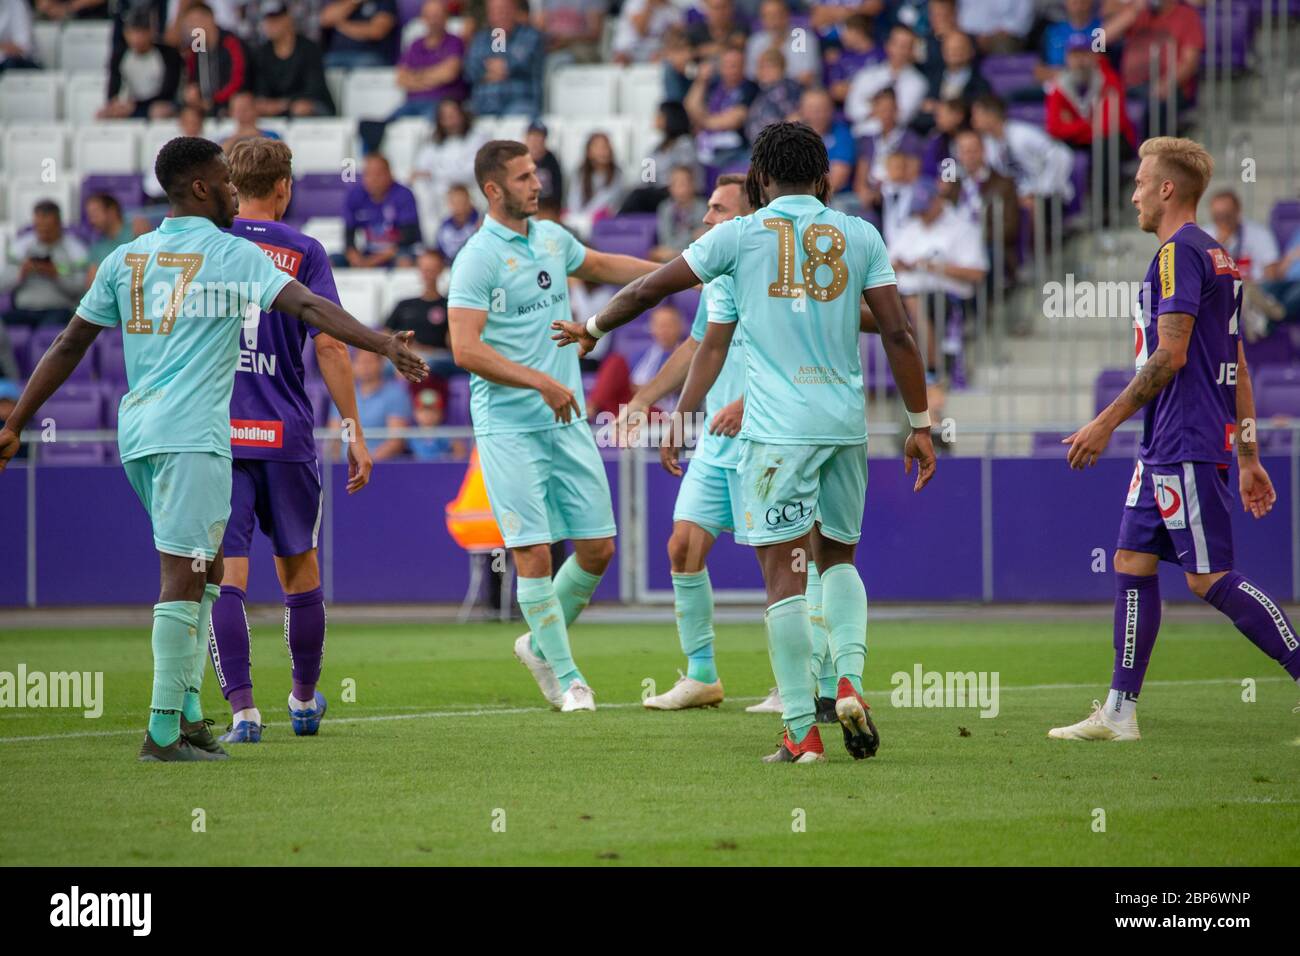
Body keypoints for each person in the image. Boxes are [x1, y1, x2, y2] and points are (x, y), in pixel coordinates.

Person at [0, 135, 426, 762]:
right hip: (194, 436)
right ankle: (163, 730)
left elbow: (68, 342)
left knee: (202, 576)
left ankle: (195, 714)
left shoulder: (128, 258)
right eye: (225, 180)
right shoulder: (230, 254)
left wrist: (19, 421)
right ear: (200, 187)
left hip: (139, 436)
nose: (235, 191)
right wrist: (383, 343)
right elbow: (309, 306)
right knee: (183, 578)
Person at [552, 122, 937, 762]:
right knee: (837, 560)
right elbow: (898, 334)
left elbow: (652, 288)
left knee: (783, 578)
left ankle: (799, 731)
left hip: (776, 432)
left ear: (759, 181)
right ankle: (847, 679)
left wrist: (593, 325)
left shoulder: (738, 236)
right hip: (843, 426)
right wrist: (920, 425)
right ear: (825, 179)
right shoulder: (860, 234)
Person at [1051, 137, 1299, 742]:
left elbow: (1171, 354)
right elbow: (1233, 359)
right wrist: (1247, 454)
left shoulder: (1176, 255)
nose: (1133, 191)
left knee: (1207, 577)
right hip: (1168, 442)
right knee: (1132, 562)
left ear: (1167, 189)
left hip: (1181, 436)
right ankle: (1119, 711)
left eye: (1140, 181)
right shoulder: (1218, 257)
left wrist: (1103, 422)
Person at [446, 140, 660, 713]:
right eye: (521, 177)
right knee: (534, 555)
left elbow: (602, 265)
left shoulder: (551, 236)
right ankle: (569, 679)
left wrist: (676, 275)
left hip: (566, 421)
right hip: (510, 426)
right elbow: (463, 350)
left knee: (598, 549)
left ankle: (538, 644)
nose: (535, 184)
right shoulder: (477, 258)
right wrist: (539, 380)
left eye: (535, 172)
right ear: (493, 190)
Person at [210, 137, 373, 743]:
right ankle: (303, 702)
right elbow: (330, 344)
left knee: (226, 576)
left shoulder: (210, 246)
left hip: (220, 435)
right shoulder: (304, 250)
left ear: (230, 185)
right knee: (298, 570)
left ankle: (243, 713)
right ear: (283, 188)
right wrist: (354, 432)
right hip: (287, 437)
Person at [0, 201, 89, 328]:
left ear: (58, 224)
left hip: (58, 309)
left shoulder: (75, 249)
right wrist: (21, 273)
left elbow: (80, 290)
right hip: (24, 309)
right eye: (38, 226)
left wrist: (55, 275)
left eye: (48, 226)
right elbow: (2, 285)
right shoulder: (20, 247)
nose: (43, 230)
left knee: (51, 331)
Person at [385, 248, 461, 382]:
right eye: (424, 269)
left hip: (437, 357)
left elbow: (453, 344)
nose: (427, 274)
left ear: (441, 270)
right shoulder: (404, 304)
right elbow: (385, 334)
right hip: (406, 354)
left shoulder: (449, 305)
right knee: (380, 366)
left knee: (426, 363)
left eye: (432, 269)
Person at [249, 0, 335, 118]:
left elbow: (314, 90)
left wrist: (284, 104)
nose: (270, 25)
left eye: (276, 20)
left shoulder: (309, 48)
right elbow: (260, 90)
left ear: (288, 19)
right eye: (267, 20)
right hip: (278, 108)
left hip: (312, 106)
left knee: (302, 108)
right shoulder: (262, 52)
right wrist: (274, 105)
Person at [340, 154, 423, 268]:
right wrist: (354, 255)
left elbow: (408, 236)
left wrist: (374, 261)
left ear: (390, 174)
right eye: (368, 174)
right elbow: (348, 232)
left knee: (404, 262)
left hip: (398, 251)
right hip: (369, 250)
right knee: (329, 261)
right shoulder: (355, 194)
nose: (373, 179)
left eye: (378, 174)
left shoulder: (403, 195)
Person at [465, 0, 545, 117]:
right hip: (484, 106)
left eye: (504, 9)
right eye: (495, 11)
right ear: (488, 14)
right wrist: (504, 68)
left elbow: (522, 63)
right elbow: (471, 71)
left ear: (515, 10)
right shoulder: (480, 38)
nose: (501, 14)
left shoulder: (530, 35)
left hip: (520, 104)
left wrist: (499, 68)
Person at [390, 0, 466, 121]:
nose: (433, 20)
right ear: (423, 18)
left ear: (446, 17)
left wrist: (416, 76)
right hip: (412, 104)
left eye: (437, 16)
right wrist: (434, 76)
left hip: (441, 103)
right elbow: (401, 79)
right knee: (381, 127)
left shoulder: (454, 42)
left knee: (433, 125)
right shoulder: (415, 44)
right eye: (429, 16)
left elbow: (449, 74)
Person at [845, 24, 927, 136]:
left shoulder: (918, 82)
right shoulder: (866, 74)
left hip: (894, 142)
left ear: (912, 51)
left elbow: (901, 117)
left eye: (905, 46)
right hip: (860, 138)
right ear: (888, 45)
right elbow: (852, 109)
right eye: (896, 44)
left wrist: (871, 104)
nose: (899, 50)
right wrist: (884, 111)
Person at [100, 8, 182, 119]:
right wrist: (117, 104)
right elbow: (114, 88)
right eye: (133, 32)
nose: (137, 38)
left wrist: (136, 106)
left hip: (157, 105)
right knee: (104, 114)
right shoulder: (120, 56)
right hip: (129, 107)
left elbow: (168, 91)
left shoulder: (168, 55)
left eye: (141, 32)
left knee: (159, 111)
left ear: (151, 32)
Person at [618, 102, 697, 214]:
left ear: (671, 118)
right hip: (656, 193)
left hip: (676, 193)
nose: (656, 118)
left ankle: (615, 223)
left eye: (660, 115)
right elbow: (646, 178)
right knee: (634, 194)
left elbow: (684, 175)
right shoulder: (655, 149)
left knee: (638, 196)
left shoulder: (685, 144)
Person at [685, 45, 757, 168]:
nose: (731, 69)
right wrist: (701, 81)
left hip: (734, 149)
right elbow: (690, 106)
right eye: (727, 65)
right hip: (706, 144)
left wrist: (702, 120)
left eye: (735, 65)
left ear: (743, 67)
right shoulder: (714, 85)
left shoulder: (749, 88)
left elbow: (733, 121)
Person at [180, 3, 249, 116]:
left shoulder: (231, 43)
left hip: (230, 107)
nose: (193, 28)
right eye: (190, 24)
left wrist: (213, 101)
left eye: (196, 22)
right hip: (204, 108)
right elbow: (191, 78)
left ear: (210, 19)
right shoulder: (196, 49)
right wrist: (192, 93)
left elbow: (239, 79)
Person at [411, 100, 486, 202]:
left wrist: (434, 173)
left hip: (467, 192)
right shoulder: (434, 141)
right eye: (445, 116)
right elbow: (421, 168)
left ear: (462, 114)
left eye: (453, 115)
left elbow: (471, 172)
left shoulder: (477, 138)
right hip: (437, 194)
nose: (449, 120)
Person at [744, 0, 820, 87]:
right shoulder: (755, 42)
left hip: (797, 94)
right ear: (762, 20)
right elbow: (751, 76)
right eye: (768, 16)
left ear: (787, 15)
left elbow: (807, 77)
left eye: (777, 15)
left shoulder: (803, 38)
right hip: (764, 95)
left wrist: (774, 79)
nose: (773, 21)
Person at [744, 48, 802, 147]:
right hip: (757, 149)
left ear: (781, 68)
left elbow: (794, 119)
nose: (763, 71)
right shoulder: (764, 89)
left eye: (769, 67)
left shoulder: (785, 89)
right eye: (761, 67)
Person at [320, 0, 399, 68]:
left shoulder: (384, 2)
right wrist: (354, 2)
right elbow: (325, 20)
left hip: (369, 55)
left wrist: (342, 26)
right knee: (317, 65)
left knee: (365, 63)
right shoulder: (343, 2)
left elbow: (376, 32)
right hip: (335, 55)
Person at [652, 165, 705, 261]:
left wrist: (673, 251)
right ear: (670, 187)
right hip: (671, 258)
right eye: (674, 183)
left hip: (694, 259)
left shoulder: (702, 207)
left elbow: (702, 241)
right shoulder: (665, 208)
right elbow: (666, 240)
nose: (679, 187)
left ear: (692, 185)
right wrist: (691, 236)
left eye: (683, 183)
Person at [532, 0, 606, 65]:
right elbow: (540, 26)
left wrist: (566, 39)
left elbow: (594, 33)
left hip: (579, 47)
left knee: (557, 62)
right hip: (552, 46)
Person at [611, 0, 682, 65]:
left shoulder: (672, 9)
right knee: (621, 59)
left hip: (655, 51)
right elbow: (641, 30)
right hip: (629, 50)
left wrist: (666, 52)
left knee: (671, 58)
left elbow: (677, 38)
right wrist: (650, 4)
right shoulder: (635, 3)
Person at [84, 194, 135, 275]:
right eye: (90, 216)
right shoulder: (97, 248)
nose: (92, 221)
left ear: (112, 211)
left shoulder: (137, 231)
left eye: (95, 214)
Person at [436, 183, 481, 261]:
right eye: (454, 201)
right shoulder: (445, 225)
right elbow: (439, 250)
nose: (458, 205)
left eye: (461, 201)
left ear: (469, 200)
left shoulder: (481, 221)